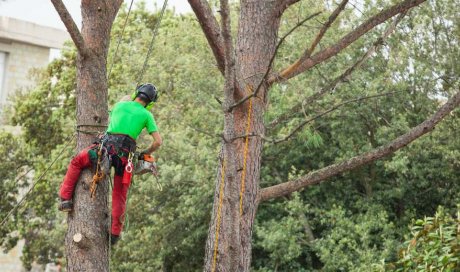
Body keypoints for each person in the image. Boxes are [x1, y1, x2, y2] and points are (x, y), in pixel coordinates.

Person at [58, 83, 162, 245]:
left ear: (136, 94)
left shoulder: (120, 105)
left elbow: (125, 100)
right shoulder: (147, 115)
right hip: (125, 157)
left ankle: (65, 199)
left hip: (105, 148)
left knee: (77, 161)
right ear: (150, 102)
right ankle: (114, 234)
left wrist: (129, 98)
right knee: (120, 193)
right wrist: (145, 153)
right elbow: (158, 142)